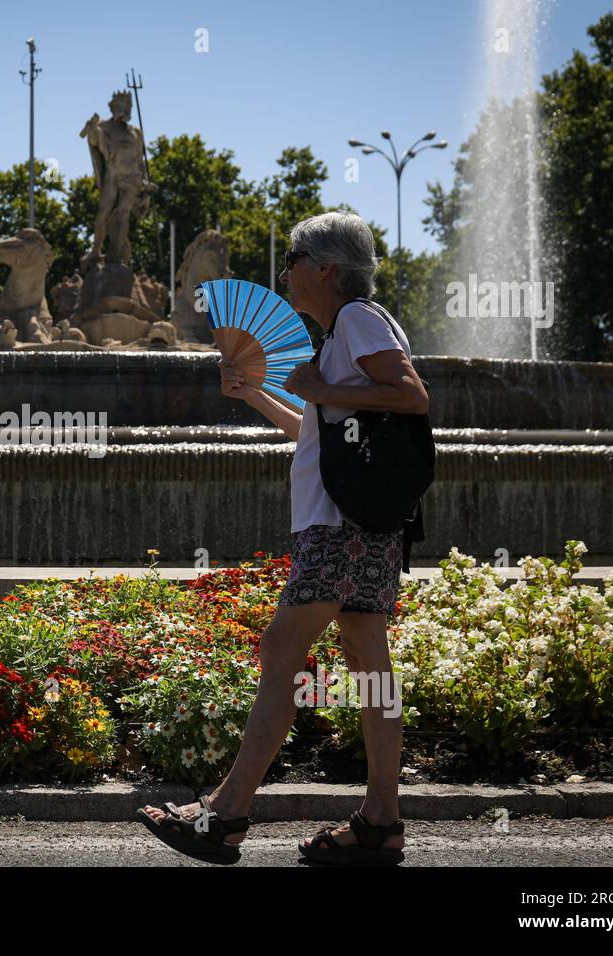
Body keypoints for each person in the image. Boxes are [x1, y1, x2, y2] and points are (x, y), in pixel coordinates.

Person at [138, 211, 429, 866]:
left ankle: (226, 813)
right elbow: (320, 432)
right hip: (366, 524)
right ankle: (382, 820)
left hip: (340, 526)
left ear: (326, 268)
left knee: (281, 648)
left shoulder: (356, 320)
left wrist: (319, 386)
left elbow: (412, 395)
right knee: (367, 662)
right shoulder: (349, 331)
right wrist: (257, 398)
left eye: (293, 257)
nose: (284, 271)